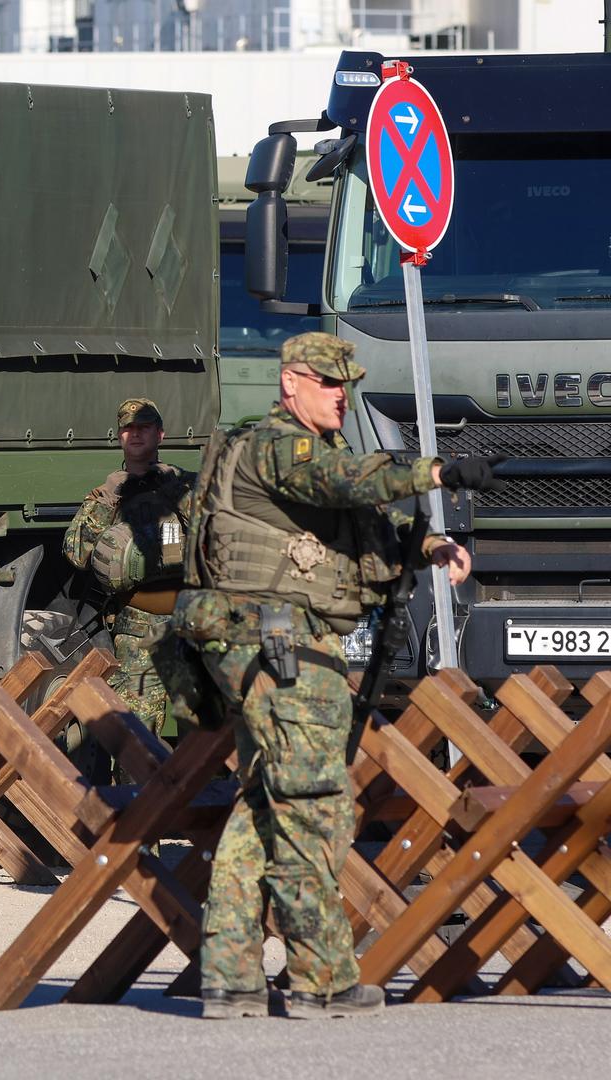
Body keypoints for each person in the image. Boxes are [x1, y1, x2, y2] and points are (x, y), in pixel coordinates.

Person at [175, 332, 499, 1020]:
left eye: (345, 384)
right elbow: (342, 481)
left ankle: (229, 976)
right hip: (280, 648)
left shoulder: (303, 455)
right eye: (327, 382)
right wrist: (434, 472)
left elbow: (361, 523)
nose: (340, 395)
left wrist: (430, 544)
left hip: (264, 646)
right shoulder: (277, 447)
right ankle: (319, 979)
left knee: (267, 804)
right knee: (314, 803)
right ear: (290, 382)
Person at [63, 397, 195, 737]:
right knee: (135, 738)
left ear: (160, 434)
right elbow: (76, 554)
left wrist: (179, 497)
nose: (135, 434)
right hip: (138, 634)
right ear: (119, 436)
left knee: (201, 736)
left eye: (144, 427)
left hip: (190, 626)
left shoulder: (186, 485)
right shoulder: (107, 494)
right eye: (128, 428)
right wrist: (109, 498)